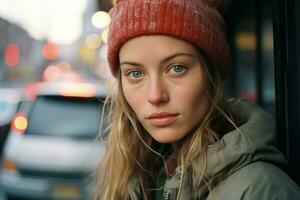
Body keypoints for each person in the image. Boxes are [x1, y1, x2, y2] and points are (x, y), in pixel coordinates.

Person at [93, 0, 300, 199]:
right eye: (135, 74)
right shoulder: (142, 175)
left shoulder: (259, 189)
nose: (155, 96)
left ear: (212, 74)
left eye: (177, 68)